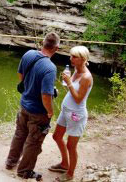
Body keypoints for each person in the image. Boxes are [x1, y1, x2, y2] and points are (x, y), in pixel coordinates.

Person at [6, 32, 60, 180]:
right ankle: (24, 171)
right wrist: (50, 112)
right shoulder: (50, 68)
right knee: (33, 142)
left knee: (20, 134)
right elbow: (46, 95)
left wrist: (30, 88)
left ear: (43, 43)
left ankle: (11, 162)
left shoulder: (28, 54)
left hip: (24, 105)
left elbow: (21, 76)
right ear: (57, 48)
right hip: (38, 112)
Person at [49, 46, 93, 182]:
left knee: (71, 146)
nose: (71, 58)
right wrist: (67, 80)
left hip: (76, 115)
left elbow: (79, 98)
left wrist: (69, 83)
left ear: (83, 59)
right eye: (71, 56)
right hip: (66, 111)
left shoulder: (86, 77)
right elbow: (71, 86)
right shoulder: (76, 70)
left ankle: (70, 174)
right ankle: (64, 164)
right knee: (56, 136)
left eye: (74, 56)